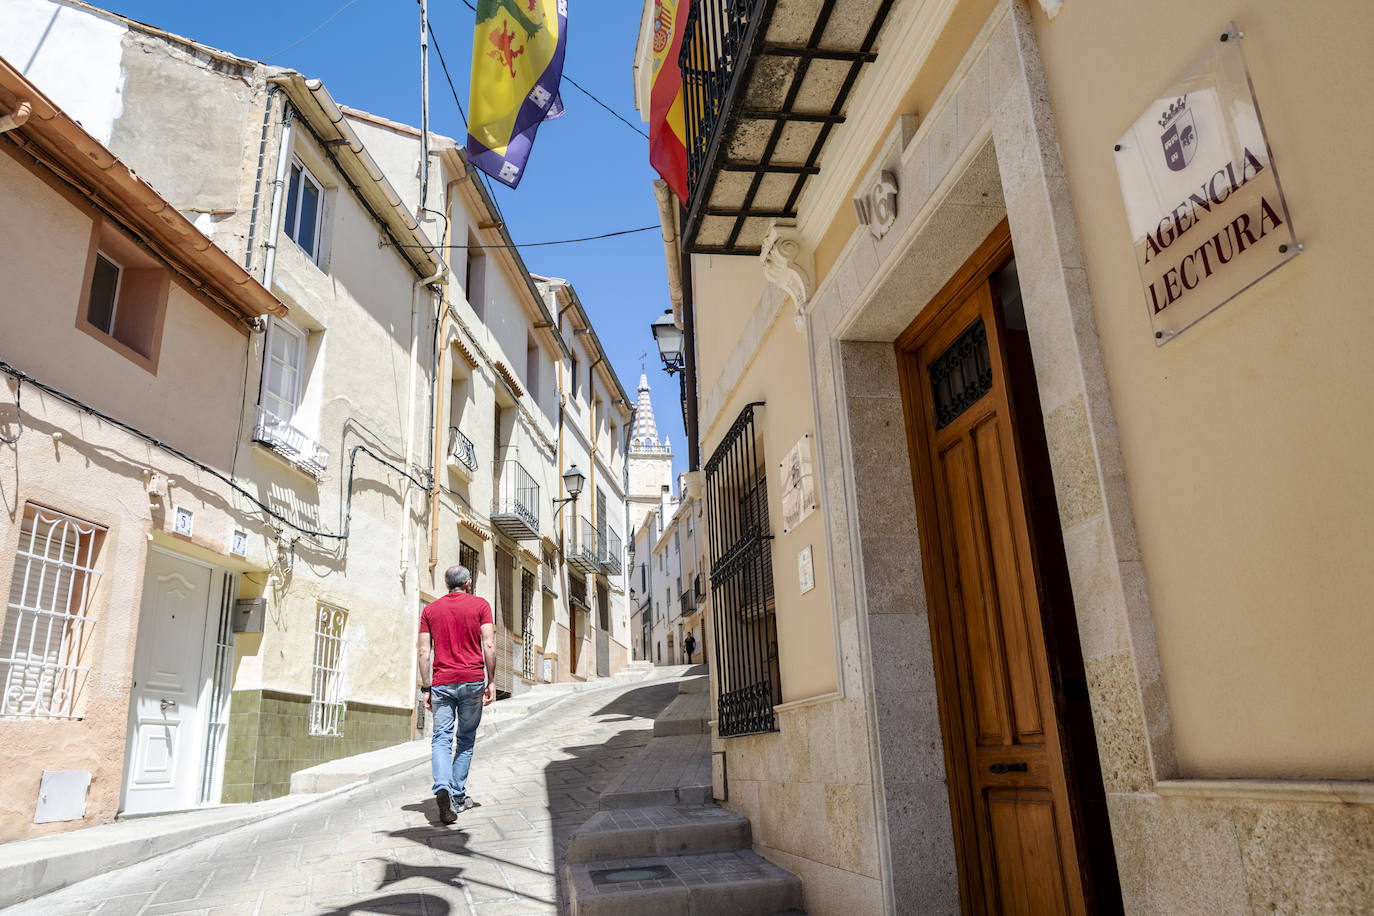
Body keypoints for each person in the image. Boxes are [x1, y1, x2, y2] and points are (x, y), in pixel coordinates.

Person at [418, 564, 495, 824]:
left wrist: (426, 687)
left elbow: (423, 652)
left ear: (446, 584)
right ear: (468, 583)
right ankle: (458, 797)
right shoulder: (481, 606)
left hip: (441, 682)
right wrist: (491, 680)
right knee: (465, 739)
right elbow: (489, 644)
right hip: (472, 680)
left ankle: (442, 786)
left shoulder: (430, 610)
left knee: (441, 738)